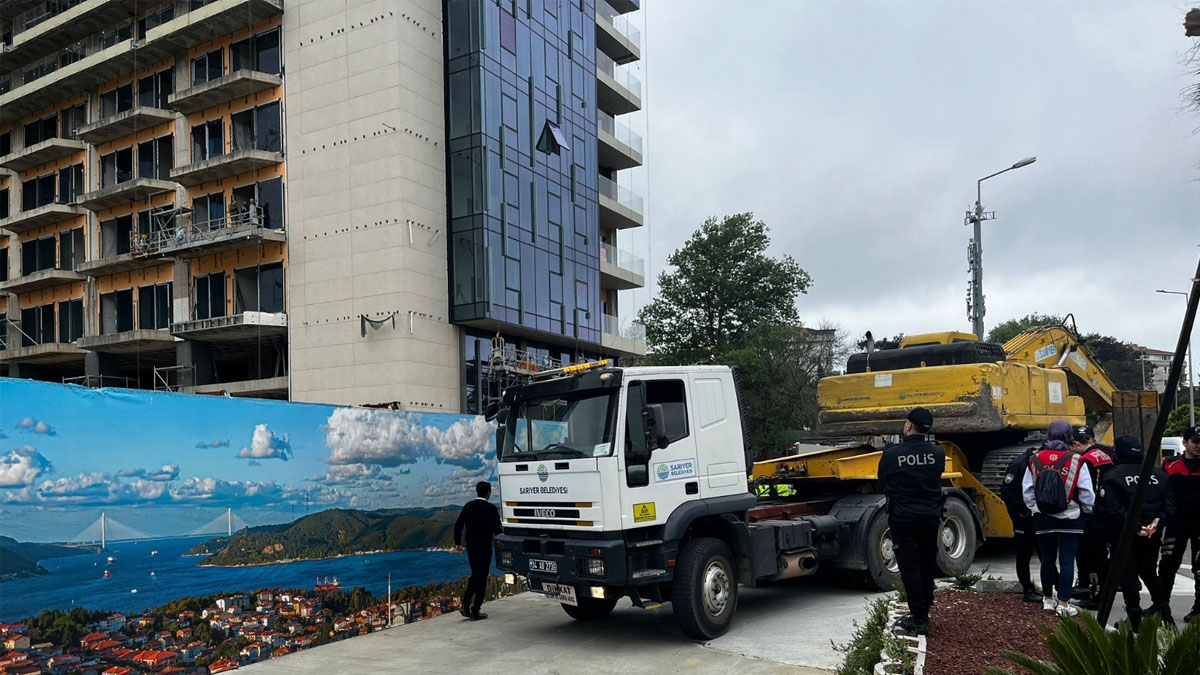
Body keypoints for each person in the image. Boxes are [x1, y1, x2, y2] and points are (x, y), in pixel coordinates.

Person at [877, 407, 945, 635]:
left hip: (903, 519)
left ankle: (919, 619)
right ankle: (925, 606)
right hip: (930, 518)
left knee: (910, 567)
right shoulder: (937, 453)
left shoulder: (891, 455)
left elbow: (882, 480)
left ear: (908, 426)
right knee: (926, 563)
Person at [1097, 435, 1175, 630]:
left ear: (1118, 453)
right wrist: (1154, 525)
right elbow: (1170, 506)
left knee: (1128, 575)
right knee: (1149, 572)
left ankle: (1135, 619)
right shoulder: (1160, 476)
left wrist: (1136, 527)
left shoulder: (1113, 476)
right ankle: (1166, 615)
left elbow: (1113, 509)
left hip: (1124, 535)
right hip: (1152, 533)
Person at [1022, 420, 1095, 618]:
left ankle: (1047, 599)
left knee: (1046, 559)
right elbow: (1087, 492)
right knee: (1067, 560)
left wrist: (1036, 508)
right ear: (1068, 437)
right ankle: (1063, 603)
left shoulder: (1034, 459)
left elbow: (1027, 491)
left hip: (1043, 517)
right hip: (1071, 516)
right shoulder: (1077, 459)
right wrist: (1086, 510)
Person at [1070, 425, 1114, 607]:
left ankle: (1094, 595)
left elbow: (1089, 490)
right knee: (1101, 555)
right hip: (1108, 512)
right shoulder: (1105, 455)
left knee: (1091, 556)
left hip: (1093, 516)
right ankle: (1096, 590)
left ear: (1074, 443)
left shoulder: (1086, 460)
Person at [1160, 425, 1200, 623]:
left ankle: (1198, 608)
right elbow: (1160, 494)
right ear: (1185, 442)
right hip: (1176, 522)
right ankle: (1161, 604)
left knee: (1199, 568)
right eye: (1195, 442)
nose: (1199, 446)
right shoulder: (1169, 465)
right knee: (1167, 564)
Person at [999, 444, 1041, 602]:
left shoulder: (1038, 462)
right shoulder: (1020, 463)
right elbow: (1007, 490)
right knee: (1024, 554)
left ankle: (1054, 587)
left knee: (1046, 553)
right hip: (1023, 517)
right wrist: (1022, 511)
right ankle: (1027, 589)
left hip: (1037, 514)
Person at [454, 481, 502, 620]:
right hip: (485, 547)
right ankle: (475, 609)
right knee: (482, 577)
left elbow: (458, 525)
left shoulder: (468, 506)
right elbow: (497, 529)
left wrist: (458, 543)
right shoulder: (491, 508)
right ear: (488, 493)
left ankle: (465, 604)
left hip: (471, 547)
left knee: (475, 575)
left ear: (477, 491)